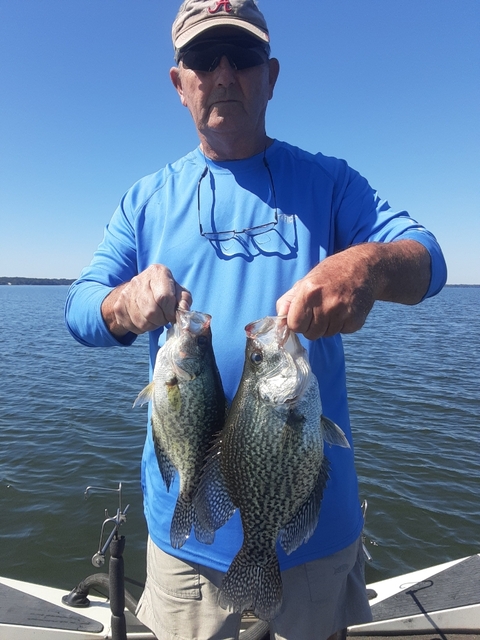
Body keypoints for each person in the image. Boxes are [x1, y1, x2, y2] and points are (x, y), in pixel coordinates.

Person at [65, 1, 447, 638]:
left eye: (240, 58)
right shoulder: (145, 200)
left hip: (315, 541)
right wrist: (122, 303)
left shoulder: (330, 183)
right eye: (201, 59)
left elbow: (429, 260)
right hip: (188, 542)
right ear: (178, 81)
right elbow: (78, 309)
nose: (222, 74)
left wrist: (371, 267)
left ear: (270, 75)